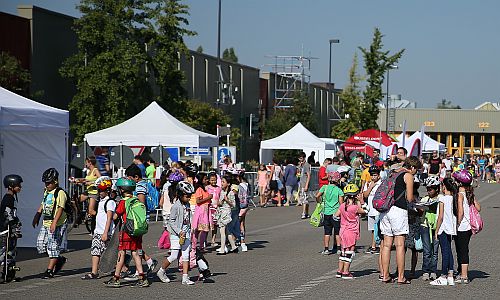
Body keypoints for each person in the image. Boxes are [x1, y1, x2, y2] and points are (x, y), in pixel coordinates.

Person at [380, 156, 421, 284]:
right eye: (416, 170)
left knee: (386, 245)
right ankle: (401, 277)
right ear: (412, 167)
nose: (416, 172)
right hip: (398, 211)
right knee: (400, 245)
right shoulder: (408, 175)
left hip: (385, 210)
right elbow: (409, 198)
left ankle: (385, 275)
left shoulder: (394, 172)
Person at [156, 182, 196, 285]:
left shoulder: (187, 205)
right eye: (187, 196)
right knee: (174, 255)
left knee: (186, 255)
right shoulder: (176, 206)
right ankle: (161, 271)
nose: (189, 198)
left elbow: (188, 218)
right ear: (180, 195)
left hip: (186, 233)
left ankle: (185, 278)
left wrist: (191, 228)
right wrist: (179, 231)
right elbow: (171, 221)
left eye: (190, 196)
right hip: (176, 234)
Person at [33, 168, 68, 279]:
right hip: (46, 222)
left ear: (55, 181)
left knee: (53, 246)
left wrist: (54, 222)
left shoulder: (60, 193)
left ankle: (49, 270)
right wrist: (37, 215)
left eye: (49, 182)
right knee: (40, 245)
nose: (47, 184)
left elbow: (60, 208)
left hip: (58, 224)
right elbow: (43, 204)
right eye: (45, 182)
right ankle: (59, 259)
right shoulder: (46, 191)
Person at [124, 164, 157, 278]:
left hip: (139, 220)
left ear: (136, 177)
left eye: (130, 178)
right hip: (139, 219)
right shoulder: (142, 184)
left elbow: (141, 204)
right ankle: (147, 263)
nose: (128, 181)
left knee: (134, 245)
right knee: (135, 245)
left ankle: (143, 267)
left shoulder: (140, 187)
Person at [81, 178, 115, 280]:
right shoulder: (101, 201)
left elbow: (109, 218)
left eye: (102, 190)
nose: (100, 192)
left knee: (111, 253)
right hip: (97, 231)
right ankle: (94, 272)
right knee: (95, 251)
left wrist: (105, 233)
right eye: (99, 190)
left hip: (106, 233)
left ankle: (123, 269)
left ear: (108, 190)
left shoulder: (110, 202)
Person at [453, 169, 480, 284]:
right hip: (469, 227)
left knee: (462, 250)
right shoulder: (470, 194)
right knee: (462, 249)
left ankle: (464, 276)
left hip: (462, 226)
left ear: (459, 183)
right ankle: (461, 272)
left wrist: (457, 223)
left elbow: (460, 212)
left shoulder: (460, 195)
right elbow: (478, 208)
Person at [430, 178, 458, 286]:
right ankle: (450, 274)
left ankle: (443, 275)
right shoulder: (453, 198)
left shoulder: (443, 199)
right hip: (451, 228)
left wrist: (436, 230)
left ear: (444, 187)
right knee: (449, 251)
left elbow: (440, 216)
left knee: (445, 252)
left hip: (443, 228)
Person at [334, 183, 366, 279]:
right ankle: (346, 272)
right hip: (351, 231)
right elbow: (366, 211)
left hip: (342, 230)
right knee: (350, 252)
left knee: (343, 251)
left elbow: (336, 216)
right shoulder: (355, 208)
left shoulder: (342, 206)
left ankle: (339, 271)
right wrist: (362, 201)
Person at [315, 172, 344, 255]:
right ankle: (338, 249)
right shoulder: (339, 190)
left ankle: (326, 249)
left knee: (327, 232)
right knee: (337, 231)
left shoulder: (324, 187)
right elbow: (341, 204)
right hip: (336, 213)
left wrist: (319, 202)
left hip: (326, 212)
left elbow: (317, 196)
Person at [1, 175, 23, 282]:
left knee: (11, 253)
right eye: (18, 185)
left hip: (10, 230)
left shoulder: (11, 197)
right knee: (3, 254)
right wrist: (13, 224)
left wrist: (17, 222)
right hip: (6, 231)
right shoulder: (8, 198)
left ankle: (9, 275)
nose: (20, 187)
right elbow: (7, 214)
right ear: (11, 186)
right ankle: (5, 275)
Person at [419, 176, 441, 281]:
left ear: (437, 188)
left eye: (431, 189)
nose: (429, 191)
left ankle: (433, 270)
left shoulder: (441, 198)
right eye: (427, 189)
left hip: (437, 227)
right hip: (425, 226)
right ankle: (425, 271)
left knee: (435, 251)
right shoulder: (424, 199)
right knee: (427, 251)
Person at [216, 176, 238, 255]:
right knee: (227, 231)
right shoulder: (222, 191)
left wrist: (227, 200)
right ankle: (233, 246)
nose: (221, 183)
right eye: (221, 182)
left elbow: (233, 205)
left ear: (228, 183)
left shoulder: (231, 192)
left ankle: (222, 249)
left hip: (226, 212)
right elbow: (219, 202)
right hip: (221, 211)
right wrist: (219, 202)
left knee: (222, 230)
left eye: (223, 182)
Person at [362, 166, 382, 254]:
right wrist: (371, 186)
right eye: (372, 175)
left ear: (378, 175)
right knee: (373, 229)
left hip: (378, 210)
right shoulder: (368, 183)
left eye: (375, 175)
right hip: (371, 210)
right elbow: (365, 195)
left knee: (379, 228)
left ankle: (381, 245)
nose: (373, 177)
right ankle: (373, 246)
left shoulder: (382, 183)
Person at [192, 173, 212, 252]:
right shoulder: (199, 189)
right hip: (201, 210)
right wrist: (208, 198)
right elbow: (198, 201)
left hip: (205, 209)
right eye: (205, 179)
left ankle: (200, 246)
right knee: (199, 230)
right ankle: (195, 246)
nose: (206, 180)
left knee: (203, 230)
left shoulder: (205, 188)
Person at [206, 173, 221, 247]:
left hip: (216, 208)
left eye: (215, 180)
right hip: (209, 207)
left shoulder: (219, 188)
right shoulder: (207, 188)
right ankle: (204, 240)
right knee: (207, 224)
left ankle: (213, 239)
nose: (213, 182)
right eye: (212, 180)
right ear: (209, 180)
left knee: (215, 225)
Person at [237, 174, 250, 252]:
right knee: (242, 224)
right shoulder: (246, 185)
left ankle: (240, 241)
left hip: (239, 207)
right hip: (244, 206)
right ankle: (242, 241)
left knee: (236, 224)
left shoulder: (238, 186)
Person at [298, 152, 311, 219]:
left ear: (304, 158)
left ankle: (303, 213)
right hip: (301, 184)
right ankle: (307, 213)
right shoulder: (302, 165)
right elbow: (299, 173)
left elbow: (308, 175)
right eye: (299, 158)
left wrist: (306, 185)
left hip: (305, 184)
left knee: (304, 199)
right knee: (305, 199)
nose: (300, 159)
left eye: (301, 158)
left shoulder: (306, 165)